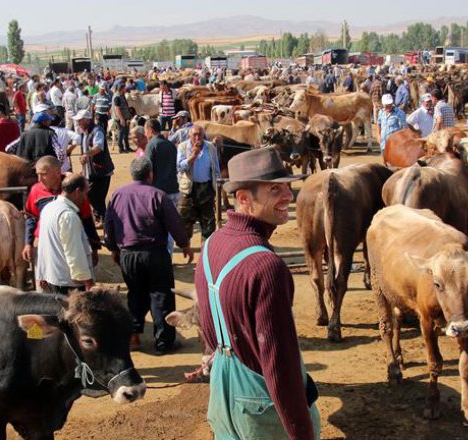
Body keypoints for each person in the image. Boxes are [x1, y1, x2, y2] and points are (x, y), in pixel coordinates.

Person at [195, 147, 320, 440]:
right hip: (263, 408)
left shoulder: (211, 243)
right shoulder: (267, 267)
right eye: (275, 189)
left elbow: (208, 324)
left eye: (288, 186)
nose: (289, 196)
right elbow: (280, 366)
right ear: (243, 199)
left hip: (223, 393)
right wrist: (301, 433)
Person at [104, 157, 193, 354]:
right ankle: (163, 342)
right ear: (150, 174)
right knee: (161, 296)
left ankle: (133, 336)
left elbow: (109, 226)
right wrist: (185, 244)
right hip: (155, 253)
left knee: (135, 293)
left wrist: (113, 249)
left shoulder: (117, 195)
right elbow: (174, 223)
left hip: (128, 254)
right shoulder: (158, 195)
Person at [22, 155, 100, 265]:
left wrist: (94, 248)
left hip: (72, 243)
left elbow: (87, 220)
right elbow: (31, 218)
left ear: (57, 172)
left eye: (43, 174)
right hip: (46, 243)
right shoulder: (36, 190)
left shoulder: (74, 190)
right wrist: (28, 243)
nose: (39, 179)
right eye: (37, 174)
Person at [35, 173, 97, 294]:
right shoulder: (68, 216)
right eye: (85, 193)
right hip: (69, 283)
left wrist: (41, 273)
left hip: (52, 277)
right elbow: (74, 252)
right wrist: (87, 280)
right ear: (77, 191)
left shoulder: (49, 208)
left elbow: (43, 245)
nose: (85, 198)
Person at [176, 125, 220, 242]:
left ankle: (205, 252)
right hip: (189, 189)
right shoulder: (183, 146)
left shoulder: (210, 147)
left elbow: (216, 169)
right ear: (190, 135)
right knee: (184, 222)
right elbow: (180, 167)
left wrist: (217, 187)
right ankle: (186, 247)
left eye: (199, 134)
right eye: (194, 135)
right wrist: (193, 156)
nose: (197, 137)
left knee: (209, 224)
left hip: (206, 189)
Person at [73, 109, 115, 225]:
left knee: (94, 196)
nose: (78, 123)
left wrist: (87, 155)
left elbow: (99, 147)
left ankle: (105, 219)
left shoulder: (97, 131)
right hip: (90, 171)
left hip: (101, 171)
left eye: (80, 120)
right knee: (91, 195)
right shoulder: (84, 132)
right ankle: (101, 217)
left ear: (87, 120)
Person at [144, 118, 180, 252]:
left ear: (151, 130)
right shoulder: (170, 145)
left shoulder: (152, 145)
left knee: (158, 225)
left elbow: (149, 171)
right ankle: (168, 254)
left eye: (146, 131)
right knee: (170, 224)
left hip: (158, 191)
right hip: (173, 189)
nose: (146, 134)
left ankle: (161, 255)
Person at [111, 83, 132, 153]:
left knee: (126, 132)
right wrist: (121, 119)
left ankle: (127, 147)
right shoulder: (117, 97)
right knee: (121, 133)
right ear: (122, 88)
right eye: (125, 88)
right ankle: (121, 148)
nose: (125, 89)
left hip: (125, 117)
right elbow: (117, 109)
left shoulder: (121, 95)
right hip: (120, 118)